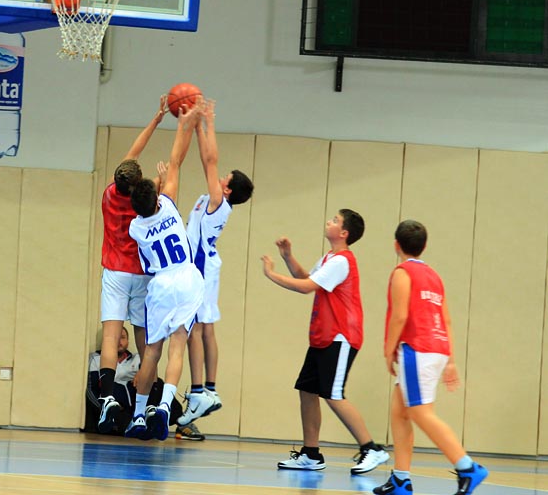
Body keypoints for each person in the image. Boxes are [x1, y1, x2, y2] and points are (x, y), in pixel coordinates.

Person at [261, 209, 389, 474]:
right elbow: (307, 278)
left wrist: (271, 274)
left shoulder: (342, 261)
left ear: (344, 233)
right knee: (307, 390)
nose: (328, 221)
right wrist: (287, 257)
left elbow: (306, 288)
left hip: (341, 336)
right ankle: (311, 454)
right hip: (323, 336)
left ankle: (371, 449)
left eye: (334, 220)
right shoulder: (330, 258)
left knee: (333, 393)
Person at [374, 220, 488, 495]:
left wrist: (388, 350)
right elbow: (446, 318)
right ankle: (401, 480)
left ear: (396, 245)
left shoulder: (402, 273)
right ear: (424, 247)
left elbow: (400, 316)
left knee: (420, 413)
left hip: (417, 348)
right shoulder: (434, 276)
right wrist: (449, 359)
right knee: (399, 413)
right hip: (436, 348)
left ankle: (467, 467)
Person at [125, 101, 204, 441]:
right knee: (178, 347)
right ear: (158, 197)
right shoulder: (169, 206)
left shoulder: (136, 228)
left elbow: (146, 203)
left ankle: (139, 416)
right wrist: (185, 123)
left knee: (151, 351)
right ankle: (165, 405)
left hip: (159, 285)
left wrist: (151, 186)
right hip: (186, 278)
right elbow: (175, 162)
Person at [178, 99, 254, 426]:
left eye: (225, 176)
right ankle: (209, 388)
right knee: (207, 328)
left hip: (200, 268)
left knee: (195, 329)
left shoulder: (217, 200)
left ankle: (198, 391)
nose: (220, 175)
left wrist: (206, 122)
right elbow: (208, 160)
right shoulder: (218, 202)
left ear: (228, 187)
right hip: (207, 264)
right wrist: (197, 127)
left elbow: (210, 160)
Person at [96, 97, 167, 434]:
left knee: (111, 334)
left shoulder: (110, 194)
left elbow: (131, 156)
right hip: (142, 274)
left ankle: (108, 397)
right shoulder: (147, 204)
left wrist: (153, 119)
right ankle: (145, 405)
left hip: (114, 272)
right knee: (145, 342)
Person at [84, 326, 203, 440]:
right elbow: (91, 390)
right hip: (117, 406)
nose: (119, 341)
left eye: (123, 337)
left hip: (136, 400)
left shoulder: (136, 359)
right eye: (117, 337)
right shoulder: (96, 359)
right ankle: (131, 424)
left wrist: (142, 374)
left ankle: (180, 422)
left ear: (128, 340)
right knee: (112, 392)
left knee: (158, 383)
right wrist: (102, 408)